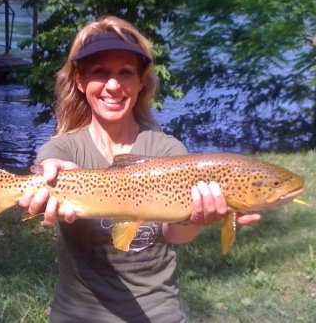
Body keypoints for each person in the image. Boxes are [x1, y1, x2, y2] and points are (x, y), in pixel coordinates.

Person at [18, 16, 260, 322]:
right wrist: (46, 176)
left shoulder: (167, 151)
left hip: (156, 312)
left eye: (125, 73)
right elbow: (50, 162)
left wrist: (198, 218)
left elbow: (175, 234)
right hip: (77, 314)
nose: (113, 85)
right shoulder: (64, 149)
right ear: (80, 81)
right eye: (100, 73)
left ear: (140, 81)